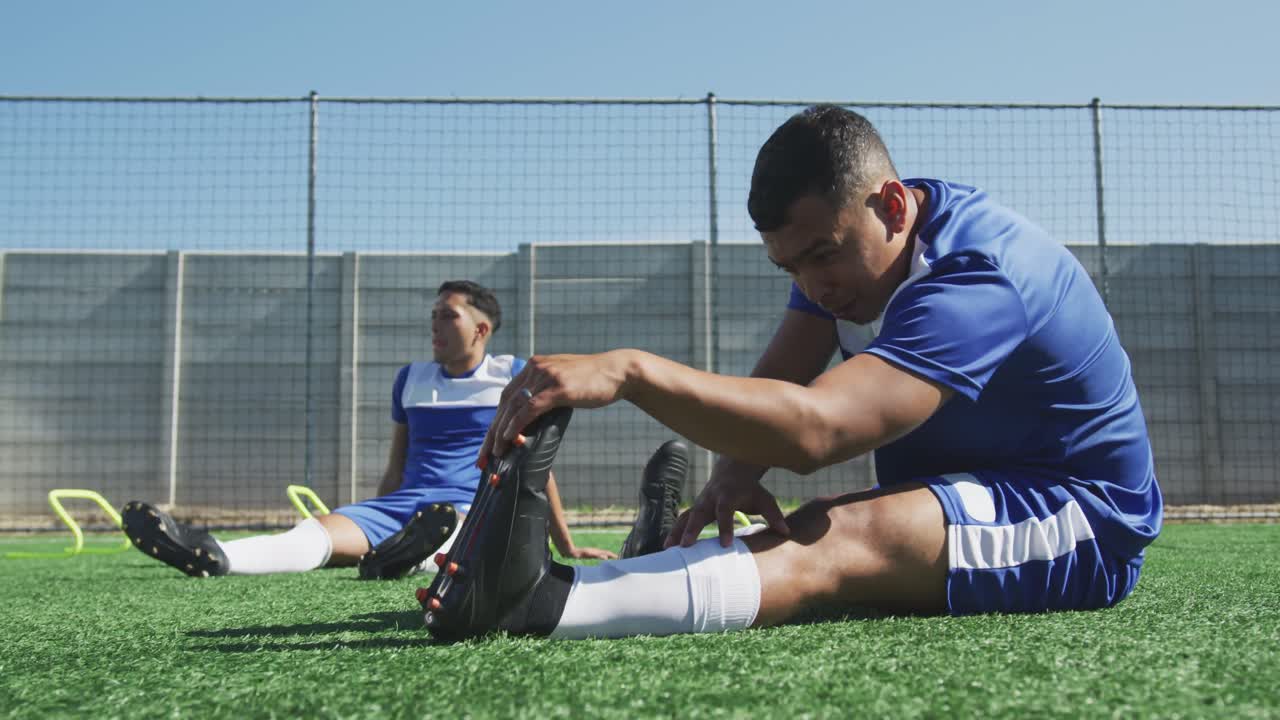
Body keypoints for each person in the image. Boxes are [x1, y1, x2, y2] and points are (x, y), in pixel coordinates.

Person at [416, 105, 1163, 640]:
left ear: (893, 205)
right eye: (790, 266)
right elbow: (788, 370)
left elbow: (820, 428)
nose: (811, 285)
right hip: (972, 487)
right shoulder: (851, 240)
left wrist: (631, 372)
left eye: (822, 257)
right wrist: (732, 478)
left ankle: (535, 604)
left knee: (842, 537)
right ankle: (577, 584)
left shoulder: (979, 276)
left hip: (1081, 517)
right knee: (813, 524)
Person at [122, 280, 616, 579]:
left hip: (472, 507)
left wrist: (565, 542)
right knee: (315, 534)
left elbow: (538, 468)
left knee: (448, 537)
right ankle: (213, 554)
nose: (435, 326)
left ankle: (405, 554)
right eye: (433, 316)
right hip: (404, 508)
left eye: (448, 316)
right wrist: (371, 511)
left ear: (481, 329)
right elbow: (396, 465)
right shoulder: (410, 379)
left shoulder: (513, 373)